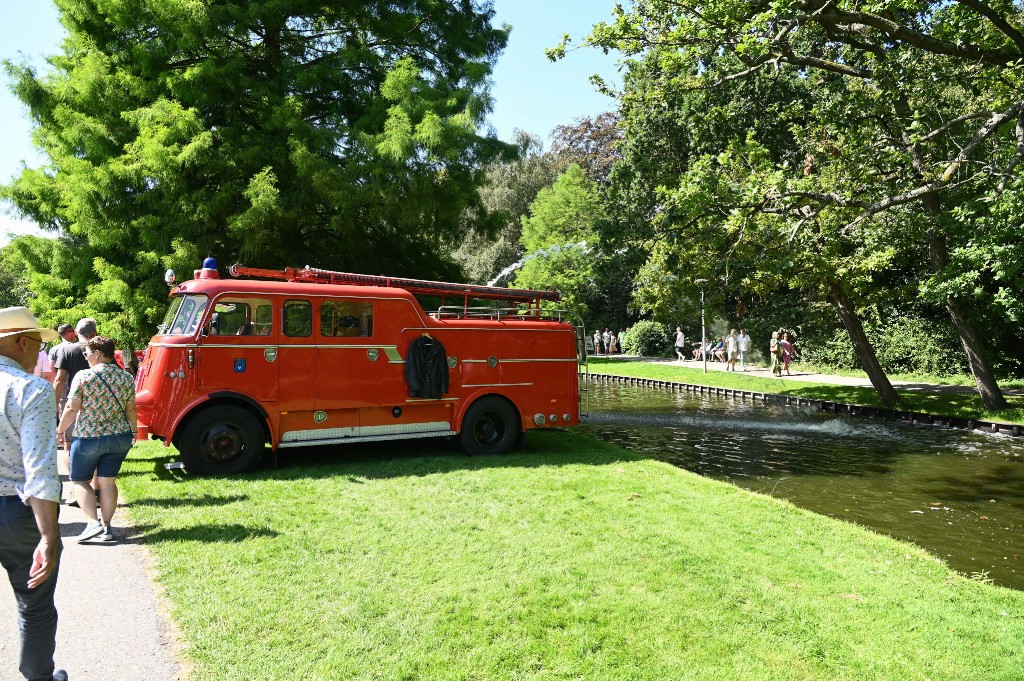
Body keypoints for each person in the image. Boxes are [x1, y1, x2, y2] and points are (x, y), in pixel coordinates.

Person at [0, 307, 69, 681]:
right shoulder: (31, 389)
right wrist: (49, 535)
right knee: (35, 605)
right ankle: (38, 676)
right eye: (39, 345)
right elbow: (39, 467)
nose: (40, 354)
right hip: (16, 512)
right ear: (22, 343)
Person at [57, 336, 137, 543]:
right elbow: (131, 409)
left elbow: (72, 407)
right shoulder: (126, 378)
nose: (85, 357)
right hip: (119, 437)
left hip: (88, 438)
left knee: (80, 480)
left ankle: (92, 522)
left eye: (87, 353)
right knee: (108, 482)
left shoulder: (84, 377)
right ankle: (107, 527)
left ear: (97, 354)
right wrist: (134, 432)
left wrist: (60, 430)